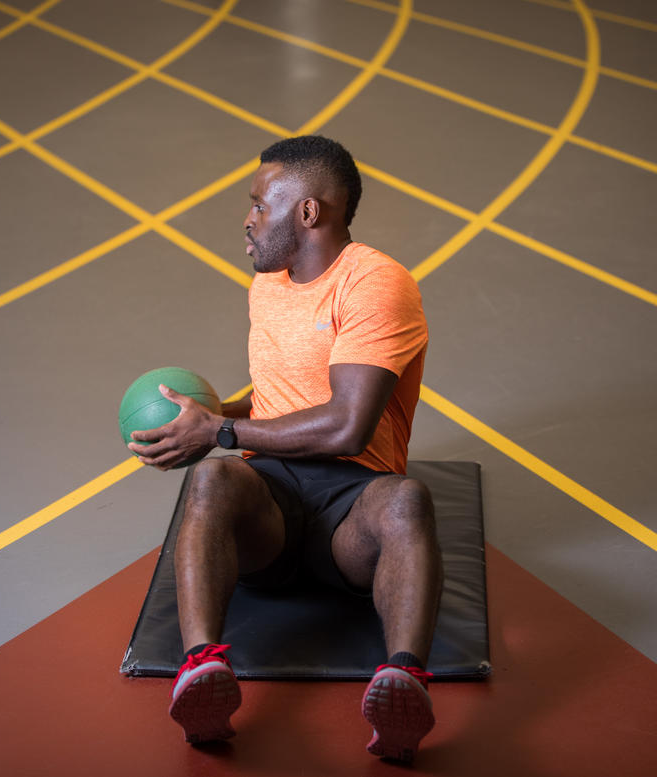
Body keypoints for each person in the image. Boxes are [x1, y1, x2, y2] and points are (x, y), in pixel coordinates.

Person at [128, 135, 443, 763]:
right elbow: (281, 395)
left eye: (259, 205)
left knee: (407, 500)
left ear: (308, 212)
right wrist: (222, 415)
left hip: (352, 506)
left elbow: (347, 427)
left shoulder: (377, 284)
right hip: (271, 504)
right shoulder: (268, 284)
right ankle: (203, 670)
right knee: (212, 482)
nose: (248, 218)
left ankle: (404, 680)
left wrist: (217, 433)